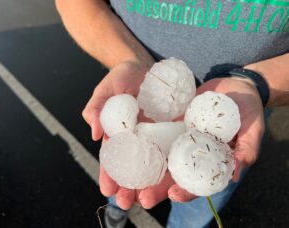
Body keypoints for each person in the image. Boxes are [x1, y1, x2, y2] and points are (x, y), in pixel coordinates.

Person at [55, 0, 289, 227]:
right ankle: (117, 207)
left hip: (233, 132)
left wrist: (259, 83)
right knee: (121, 188)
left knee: (199, 204)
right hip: (142, 89)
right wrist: (127, 58)